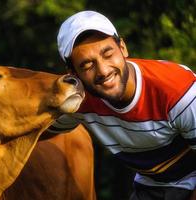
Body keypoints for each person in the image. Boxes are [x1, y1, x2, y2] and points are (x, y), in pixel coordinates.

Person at [47, 10, 196, 200]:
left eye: (107, 54)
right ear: (73, 73)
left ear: (123, 48)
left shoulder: (177, 89)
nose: (103, 70)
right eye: (87, 65)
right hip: (152, 186)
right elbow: (39, 132)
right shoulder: (78, 100)